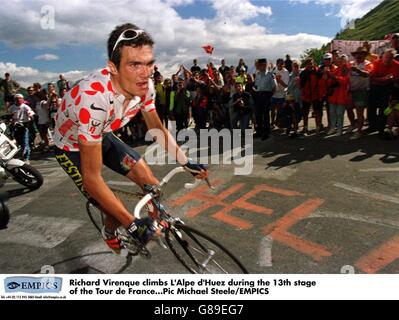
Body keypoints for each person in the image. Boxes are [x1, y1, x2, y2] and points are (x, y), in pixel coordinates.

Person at [53, 23, 208, 254]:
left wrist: (186, 162)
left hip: (101, 134)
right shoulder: (93, 98)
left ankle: (153, 225)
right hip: (71, 147)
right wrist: (131, 223)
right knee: (112, 207)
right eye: (134, 64)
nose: (144, 73)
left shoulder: (145, 86)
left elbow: (156, 128)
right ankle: (112, 230)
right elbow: (92, 179)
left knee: (152, 185)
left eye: (147, 63)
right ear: (113, 68)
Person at [349, 47, 373, 139]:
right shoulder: (351, 63)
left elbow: (367, 74)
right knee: (348, 108)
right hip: (351, 91)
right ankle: (353, 124)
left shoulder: (368, 64)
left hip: (362, 91)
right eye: (357, 54)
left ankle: (359, 132)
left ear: (365, 55)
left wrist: (357, 70)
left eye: (361, 53)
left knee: (359, 112)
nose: (358, 55)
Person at [254, 58, 276, 140]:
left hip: (267, 95)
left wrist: (269, 96)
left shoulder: (270, 75)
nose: (263, 66)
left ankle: (266, 133)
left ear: (266, 65)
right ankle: (259, 131)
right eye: (261, 65)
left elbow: (274, 87)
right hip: (259, 95)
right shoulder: (257, 74)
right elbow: (256, 86)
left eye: (264, 65)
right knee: (258, 115)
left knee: (266, 115)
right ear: (259, 66)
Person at [9, 94, 35, 164]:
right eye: (17, 99)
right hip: (15, 126)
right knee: (19, 142)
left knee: (25, 142)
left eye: (20, 98)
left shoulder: (26, 107)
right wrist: (11, 120)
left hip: (24, 126)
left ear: (23, 99)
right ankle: (23, 155)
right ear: (15, 100)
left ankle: (26, 158)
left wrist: (30, 115)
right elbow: (9, 116)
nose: (19, 100)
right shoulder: (12, 107)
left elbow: (32, 115)